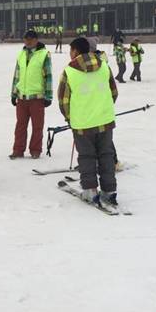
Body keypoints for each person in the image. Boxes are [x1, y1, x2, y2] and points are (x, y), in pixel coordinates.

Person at [58, 36, 119, 206]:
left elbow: (64, 100)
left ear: (76, 51)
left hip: (82, 124)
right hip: (105, 121)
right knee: (106, 155)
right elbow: (114, 92)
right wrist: (103, 109)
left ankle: (90, 190)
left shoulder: (69, 71)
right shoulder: (104, 66)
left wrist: (70, 118)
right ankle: (110, 190)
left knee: (87, 157)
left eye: (71, 50)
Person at [9, 29, 52, 159]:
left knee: (37, 126)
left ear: (36, 39)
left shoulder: (44, 54)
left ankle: (35, 150)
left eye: (31, 39)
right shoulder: (21, 54)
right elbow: (17, 75)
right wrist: (13, 93)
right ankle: (18, 150)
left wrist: (48, 96)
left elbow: (48, 76)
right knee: (20, 126)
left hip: (37, 97)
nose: (28, 41)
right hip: (22, 97)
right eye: (26, 38)